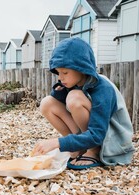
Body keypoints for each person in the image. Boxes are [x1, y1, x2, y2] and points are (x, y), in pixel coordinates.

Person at [32, 37, 134, 170]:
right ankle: (79, 148)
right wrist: (59, 91)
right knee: (47, 103)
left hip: (113, 140)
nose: (60, 77)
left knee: (74, 98)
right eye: (58, 72)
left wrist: (57, 143)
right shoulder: (74, 83)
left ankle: (93, 151)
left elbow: (97, 133)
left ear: (81, 68)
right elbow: (57, 105)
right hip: (93, 133)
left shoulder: (103, 88)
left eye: (65, 72)